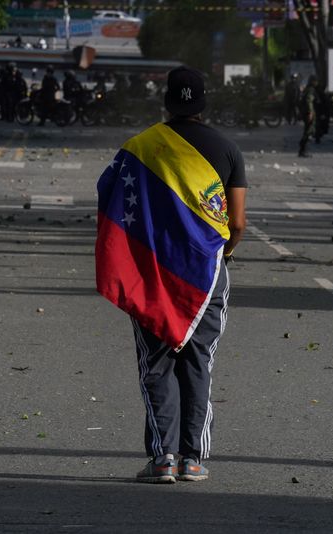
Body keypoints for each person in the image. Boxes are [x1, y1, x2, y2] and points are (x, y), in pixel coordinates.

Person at [95, 66, 247, 484]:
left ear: (167, 102)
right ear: (203, 102)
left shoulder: (140, 147)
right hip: (206, 274)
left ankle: (163, 458)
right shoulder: (228, 149)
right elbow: (236, 224)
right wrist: (220, 256)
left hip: (153, 274)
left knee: (157, 364)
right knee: (198, 362)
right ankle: (194, 459)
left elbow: (109, 194)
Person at [298, 75, 318, 157]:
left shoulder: (307, 89)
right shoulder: (310, 90)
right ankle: (303, 150)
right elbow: (309, 101)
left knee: (308, 130)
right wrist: (310, 112)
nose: (316, 83)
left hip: (306, 112)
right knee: (309, 131)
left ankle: (302, 150)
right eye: (315, 81)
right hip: (309, 113)